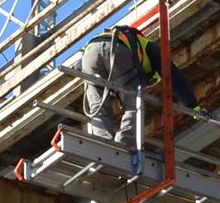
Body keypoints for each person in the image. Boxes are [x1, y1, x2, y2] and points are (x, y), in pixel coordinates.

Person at [67, 18, 195, 140]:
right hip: (118, 50)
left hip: (89, 55)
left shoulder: (127, 39)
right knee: (133, 104)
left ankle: (102, 140)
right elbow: (174, 76)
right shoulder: (148, 46)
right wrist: (193, 106)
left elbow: (79, 67)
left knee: (98, 107)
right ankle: (125, 141)